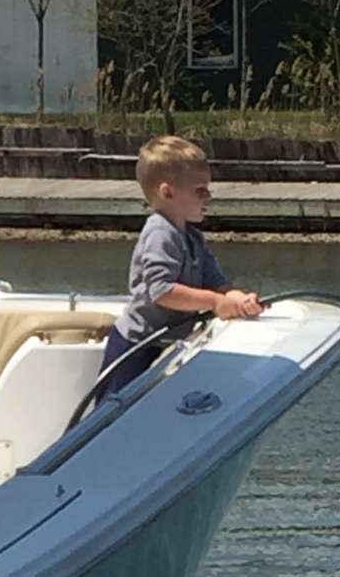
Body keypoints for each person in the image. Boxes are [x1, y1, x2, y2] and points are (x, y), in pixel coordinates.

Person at [96, 135, 264, 404]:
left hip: (164, 341)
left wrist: (237, 298)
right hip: (136, 344)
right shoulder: (160, 232)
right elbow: (162, 291)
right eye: (200, 190)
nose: (208, 197)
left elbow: (215, 281)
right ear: (168, 192)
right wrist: (214, 301)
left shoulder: (192, 237)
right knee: (111, 412)